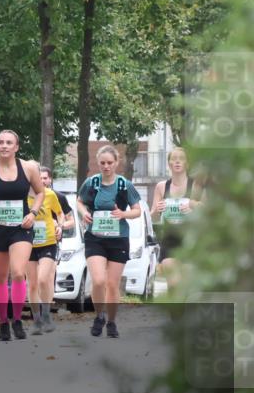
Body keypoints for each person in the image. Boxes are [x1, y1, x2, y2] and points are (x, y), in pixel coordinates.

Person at [0, 130, 45, 341]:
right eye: (0, 142)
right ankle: (2, 323)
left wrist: (34, 213)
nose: (4, 146)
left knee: (18, 272)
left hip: (21, 226)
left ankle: (17, 320)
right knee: (0, 276)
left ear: (16, 147)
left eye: (9, 143)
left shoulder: (28, 168)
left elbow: (41, 192)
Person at [76, 145, 142, 338]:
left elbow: (137, 210)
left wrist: (123, 213)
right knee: (98, 280)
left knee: (112, 285)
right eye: (102, 163)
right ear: (98, 163)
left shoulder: (124, 185)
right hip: (95, 238)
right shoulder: (91, 183)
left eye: (110, 163)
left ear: (116, 163)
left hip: (118, 239)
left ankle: (112, 322)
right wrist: (85, 213)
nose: (106, 166)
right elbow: (79, 201)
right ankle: (99, 316)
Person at [28, 166, 75, 334]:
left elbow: (62, 214)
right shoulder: (23, 195)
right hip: (28, 243)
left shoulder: (52, 195)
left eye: (44, 178)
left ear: (50, 180)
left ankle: (46, 313)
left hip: (48, 241)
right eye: (37, 178)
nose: (41, 181)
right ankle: (37, 320)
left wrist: (60, 225)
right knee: (32, 284)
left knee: (43, 279)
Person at [150, 147, 203, 285]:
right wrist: (157, 210)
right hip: (169, 241)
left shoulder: (196, 185)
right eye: (174, 159)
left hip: (190, 241)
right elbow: (153, 217)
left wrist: (193, 204)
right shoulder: (161, 187)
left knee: (187, 284)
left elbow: (208, 209)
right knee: (174, 283)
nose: (177, 162)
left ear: (187, 164)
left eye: (181, 158)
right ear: (169, 164)